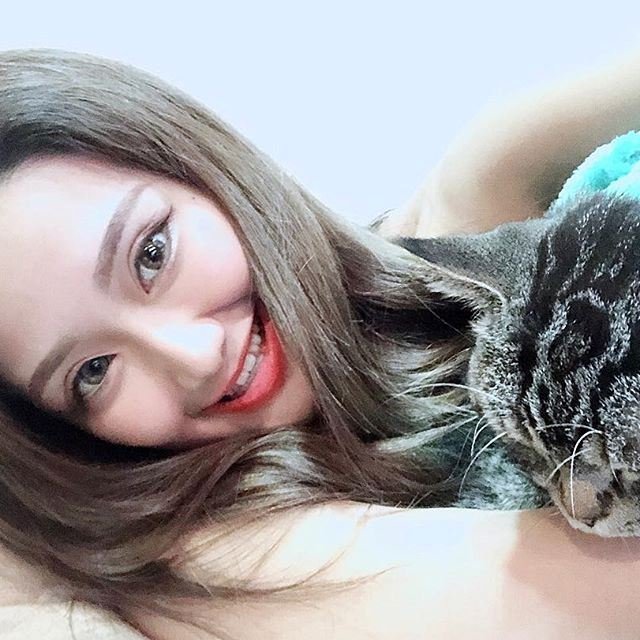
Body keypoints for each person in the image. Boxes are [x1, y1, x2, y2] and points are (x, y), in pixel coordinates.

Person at [1, 47, 640, 640]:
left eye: (152, 253)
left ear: (207, 171)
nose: (196, 357)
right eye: (92, 371)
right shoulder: (226, 551)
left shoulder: (458, 215)